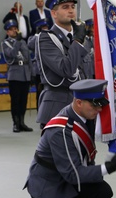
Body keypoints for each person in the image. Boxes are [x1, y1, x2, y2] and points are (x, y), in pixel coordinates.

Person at [35, 0, 89, 128]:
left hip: (81, 107)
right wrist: (77, 41)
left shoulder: (81, 38)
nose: (71, 10)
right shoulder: (45, 38)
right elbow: (66, 69)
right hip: (58, 107)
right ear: (54, 13)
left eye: (72, 7)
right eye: (65, 7)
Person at [1, 19, 34, 133]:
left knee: (23, 101)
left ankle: (22, 122)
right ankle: (15, 123)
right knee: (15, 101)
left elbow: (28, 58)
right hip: (14, 74)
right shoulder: (5, 43)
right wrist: (18, 42)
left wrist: (31, 74)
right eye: (11, 29)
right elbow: (12, 54)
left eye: (15, 28)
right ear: (7, 32)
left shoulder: (23, 42)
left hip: (25, 74)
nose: (14, 31)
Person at [27, 18, 49, 111]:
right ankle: (40, 113)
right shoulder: (33, 38)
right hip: (39, 72)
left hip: (48, 70)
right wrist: (37, 34)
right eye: (43, 27)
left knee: (48, 94)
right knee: (40, 94)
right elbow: (31, 46)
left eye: (46, 27)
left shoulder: (50, 37)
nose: (46, 29)